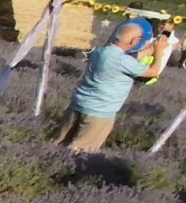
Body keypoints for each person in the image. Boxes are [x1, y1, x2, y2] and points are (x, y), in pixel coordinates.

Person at [56, 19, 160, 152]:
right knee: (81, 150)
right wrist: (160, 53)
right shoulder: (123, 60)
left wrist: (145, 52)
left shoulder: (100, 51)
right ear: (134, 41)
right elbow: (153, 72)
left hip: (79, 104)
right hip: (100, 112)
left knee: (60, 143)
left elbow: (122, 61)